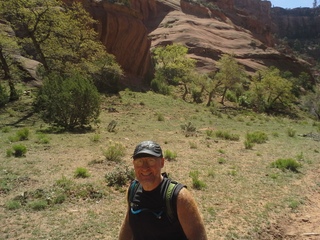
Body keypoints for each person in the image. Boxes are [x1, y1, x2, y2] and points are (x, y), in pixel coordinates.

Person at [118, 140, 208, 240]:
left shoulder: (179, 197)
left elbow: (199, 237)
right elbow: (128, 226)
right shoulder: (133, 190)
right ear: (133, 164)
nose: (145, 167)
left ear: (162, 162)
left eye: (150, 161)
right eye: (139, 161)